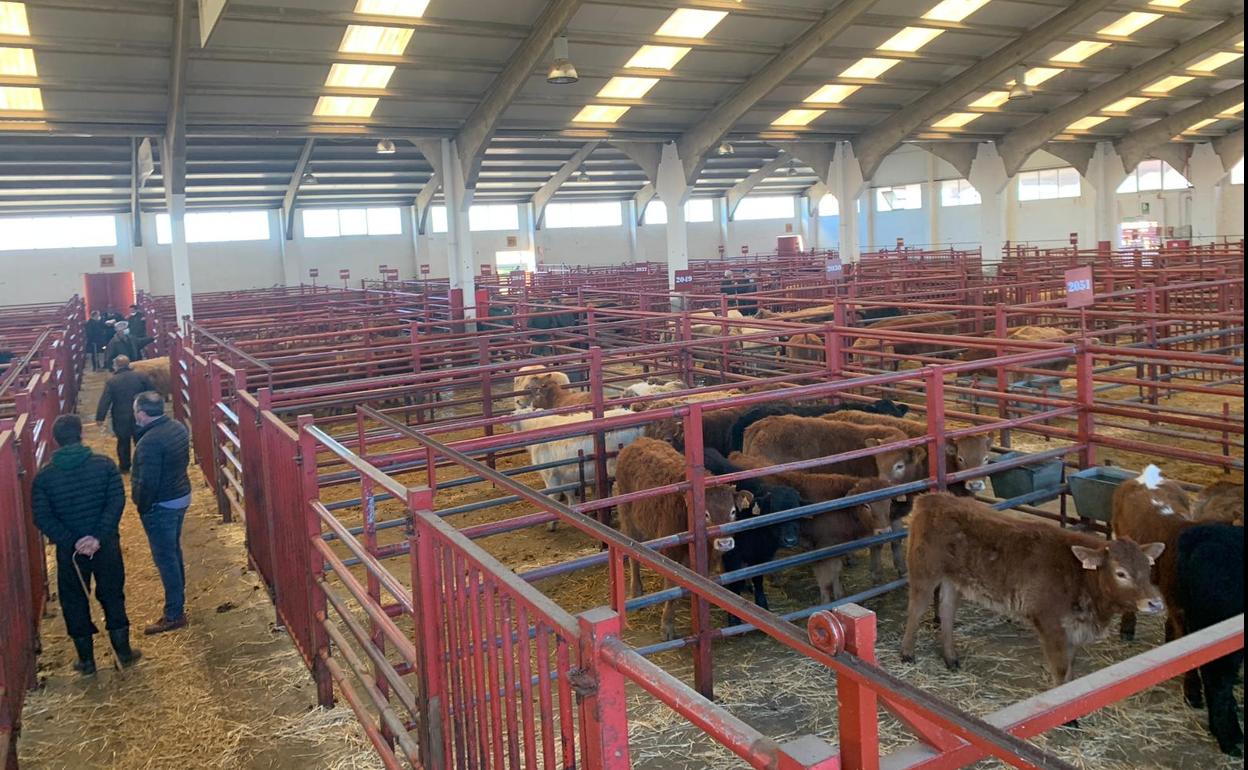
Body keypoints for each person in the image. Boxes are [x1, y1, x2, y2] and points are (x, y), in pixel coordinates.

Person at [32, 415, 141, 675]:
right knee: (112, 592)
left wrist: (73, 541)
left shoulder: (44, 478)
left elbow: (42, 516)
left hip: (70, 552)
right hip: (105, 545)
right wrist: (98, 537)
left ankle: (87, 661)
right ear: (80, 434)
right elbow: (116, 501)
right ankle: (122, 652)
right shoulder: (104, 465)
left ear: (55, 441)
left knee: (74, 600)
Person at [131, 391, 191, 635]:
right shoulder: (177, 427)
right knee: (173, 552)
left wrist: (142, 506)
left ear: (142, 414)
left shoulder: (149, 443)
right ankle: (178, 602)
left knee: (165, 558)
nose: (134, 415)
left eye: (135, 411)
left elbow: (148, 483)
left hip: (162, 504)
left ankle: (174, 613)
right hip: (180, 496)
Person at [95, 355, 153, 474]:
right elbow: (151, 393)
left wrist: (100, 417)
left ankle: (124, 467)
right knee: (141, 440)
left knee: (123, 442)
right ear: (128, 364)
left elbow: (105, 400)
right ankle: (143, 464)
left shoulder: (112, 381)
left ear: (116, 366)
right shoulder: (141, 376)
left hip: (120, 417)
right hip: (140, 415)